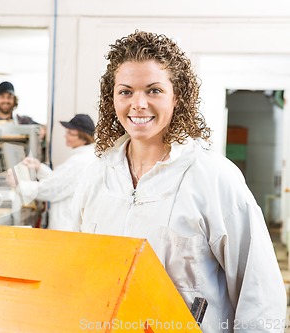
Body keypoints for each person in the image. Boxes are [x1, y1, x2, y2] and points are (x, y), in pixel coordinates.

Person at [71, 31, 286, 332]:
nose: (138, 104)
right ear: (112, 98)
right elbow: (79, 274)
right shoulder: (96, 177)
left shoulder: (213, 178)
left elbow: (259, 293)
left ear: (178, 96)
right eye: (126, 91)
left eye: (154, 90)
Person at [12, 114, 97, 231]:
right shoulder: (87, 156)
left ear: (84, 137)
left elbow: (51, 189)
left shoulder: (79, 162)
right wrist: (39, 168)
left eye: (70, 133)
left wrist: (19, 185)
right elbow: (62, 181)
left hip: (67, 227)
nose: (65, 136)